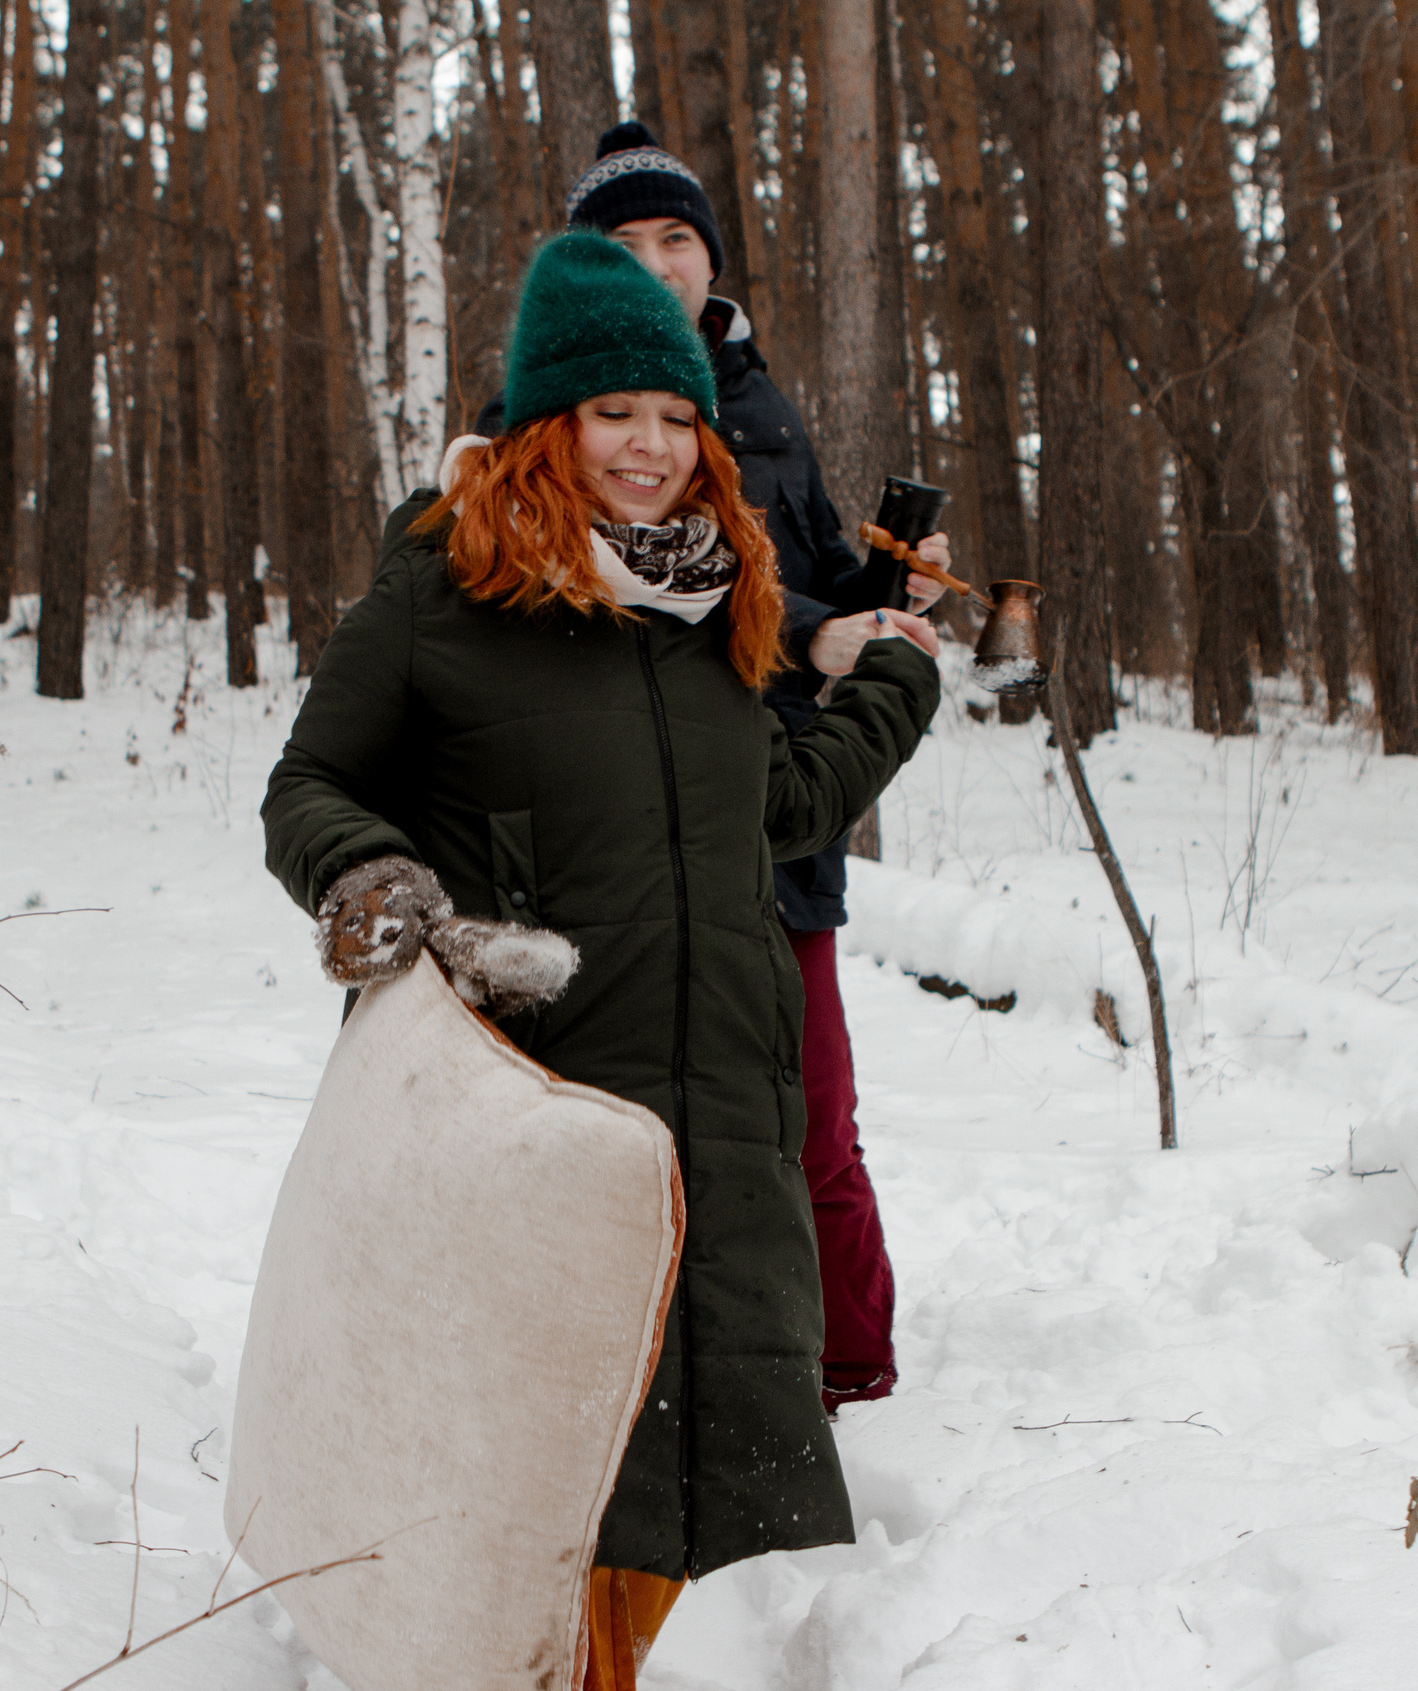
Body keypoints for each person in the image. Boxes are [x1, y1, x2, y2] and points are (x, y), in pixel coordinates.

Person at [261, 232, 942, 1686]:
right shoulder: (442, 589)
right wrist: (379, 883)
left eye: (677, 416)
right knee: (530, 1484)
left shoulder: (711, 610)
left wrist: (894, 681)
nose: (650, 446)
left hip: (715, 1124)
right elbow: (307, 787)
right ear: (547, 423)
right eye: (614, 412)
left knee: (667, 1500)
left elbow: (780, 806)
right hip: (542, 1117)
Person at [486, 121, 946, 1412]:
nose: (654, 263)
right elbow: (583, 583)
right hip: (612, 826)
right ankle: (616, 1379)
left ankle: (847, 1368)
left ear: (709, 258)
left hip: (777, 804)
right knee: (614, 1123)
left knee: (809, 1110)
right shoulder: (534, 415)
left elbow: (792, 580)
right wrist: (815, 627)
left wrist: (878, 593)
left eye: (675, 237)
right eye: (621, 244)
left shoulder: (760, 408)